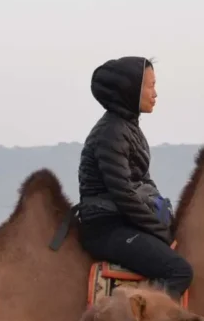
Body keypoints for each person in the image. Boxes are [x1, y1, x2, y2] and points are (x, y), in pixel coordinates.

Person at [73, 55, 192, 298]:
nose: (155, 94)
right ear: (130, 90)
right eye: (150, 86)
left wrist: (165, 216)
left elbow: (145, 183)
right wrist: (161, 230)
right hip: (107, 227)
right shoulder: (111, 133)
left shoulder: (129, 128)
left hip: (123, 221)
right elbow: (124, 194)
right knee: (179, 271)